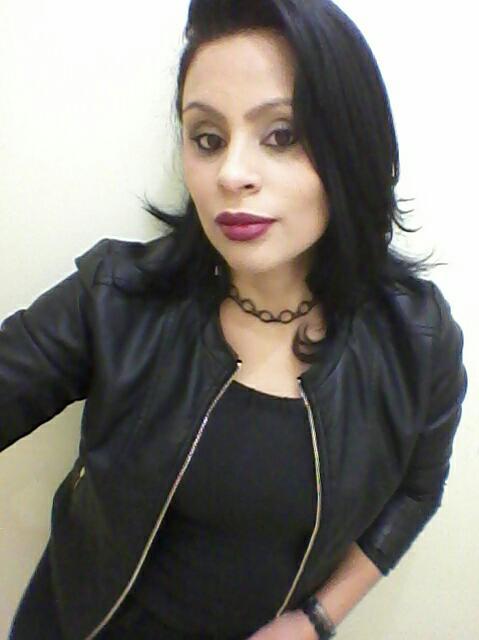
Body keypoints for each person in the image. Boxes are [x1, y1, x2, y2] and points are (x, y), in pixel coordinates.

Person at [1, 0, 468, 639]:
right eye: (207, 138)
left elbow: (417, 489)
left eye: (281, 135)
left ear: (351, 145)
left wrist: (317, 619)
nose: (231, 174)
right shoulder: (116, 299)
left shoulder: (417, 338)